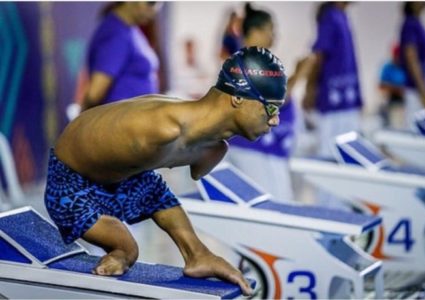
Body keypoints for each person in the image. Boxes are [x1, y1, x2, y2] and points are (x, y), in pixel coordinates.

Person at [44, 47, 287, 296]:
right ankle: (123, 251)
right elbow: (79, 139)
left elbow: (167, 181)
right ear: (237, 98)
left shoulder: (212, 148)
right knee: (128, 247)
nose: (276, 120)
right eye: (271, 108)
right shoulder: (159, 129)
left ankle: (198, 255)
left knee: (155, 188)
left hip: (122, 174)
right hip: (70, 182)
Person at [225, 3, 309, 202]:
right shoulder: (246, 61)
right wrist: (299, 74)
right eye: (271, 30)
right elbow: (271, 101)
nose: (275, 36)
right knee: (272, 209)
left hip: (267, 151)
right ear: (255, 31)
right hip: (256, 151)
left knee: (279, 206)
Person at [302, 2, 363, 159]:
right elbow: (318, 56)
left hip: (346, 100)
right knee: (330, 154)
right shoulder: (330, 17)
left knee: (351, 153)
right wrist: (310, 90)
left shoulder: (342, 16)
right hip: (332, 102)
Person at [81, 2, 161, 111]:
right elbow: (95, 93)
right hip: (123, 122)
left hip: (139, 119)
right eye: (151, 2)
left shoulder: (131, 29)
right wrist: (82, 124)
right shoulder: (115, 33)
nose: (155, 10)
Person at [399, 2, 425, 125]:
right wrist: (423, 90)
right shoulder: (410, 24)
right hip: (417, 89)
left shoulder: (418, 23)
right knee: (418, 129)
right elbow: (412, 58)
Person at [378, 44, 406, 128]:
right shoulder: (387, 67)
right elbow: (381, 86)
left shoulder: (405, 67)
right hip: (391, 98)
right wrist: (396, 89)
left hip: (404, 99)